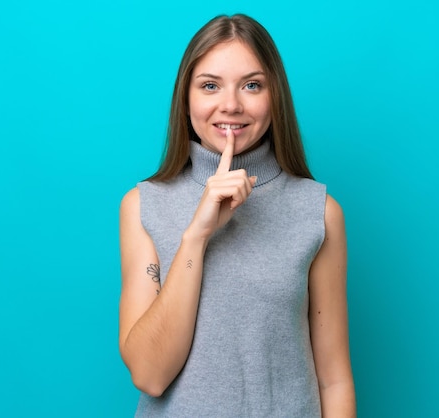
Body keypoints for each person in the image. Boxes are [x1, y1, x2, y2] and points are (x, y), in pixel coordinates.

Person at [118, 14, 355, 417]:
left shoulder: (319, 213)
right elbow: (149, 374)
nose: (231, 104)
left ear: (274, 95)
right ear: (186, 99)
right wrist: (197, 234)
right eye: (210, 86)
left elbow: (334, 380)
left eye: (252, 85)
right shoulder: (144, 205)